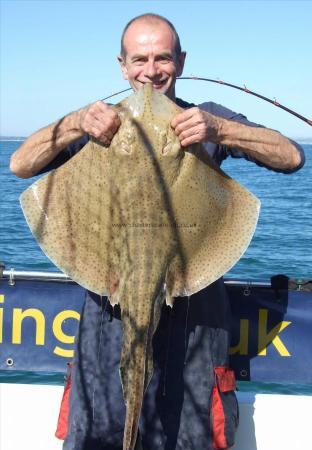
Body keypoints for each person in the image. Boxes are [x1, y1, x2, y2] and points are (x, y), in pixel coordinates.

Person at [11, 13, 305, 450]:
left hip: (195, 312)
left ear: (181, 61)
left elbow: (292, 156)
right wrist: (76, 124)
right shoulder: (99, 122)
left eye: (162, 58)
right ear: (123, 65)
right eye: (140, 59)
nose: (151, 72)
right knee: (102, 429)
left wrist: (220, 129)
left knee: (189, 436)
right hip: (110, 308)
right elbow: (20, 165)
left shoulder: (206, 119)